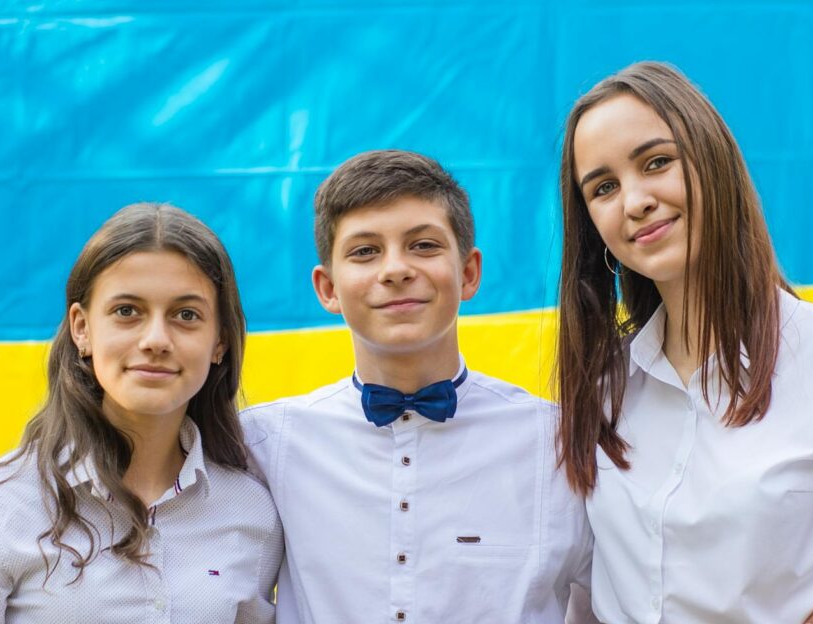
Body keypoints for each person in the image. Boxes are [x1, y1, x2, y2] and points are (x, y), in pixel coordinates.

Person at [555, 60, 813, 623]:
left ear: (713, 161)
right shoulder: (602, 387)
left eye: (657, 162)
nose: (634, 201)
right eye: (604, 187)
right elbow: (586, 598)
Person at [241, 149, 597, 623]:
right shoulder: (267, 445)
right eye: (365, 251)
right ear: (328, 288)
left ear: (468, 273)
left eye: (424, 245)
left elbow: (612, 605)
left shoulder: (560, 442)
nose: (395, 269)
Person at [0, 203, 283, 623]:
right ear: (82, 328)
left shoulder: (252, 510)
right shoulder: (3, 502)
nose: (156, 339)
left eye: (186, 315)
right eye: (127, 311)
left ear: (219, 341)